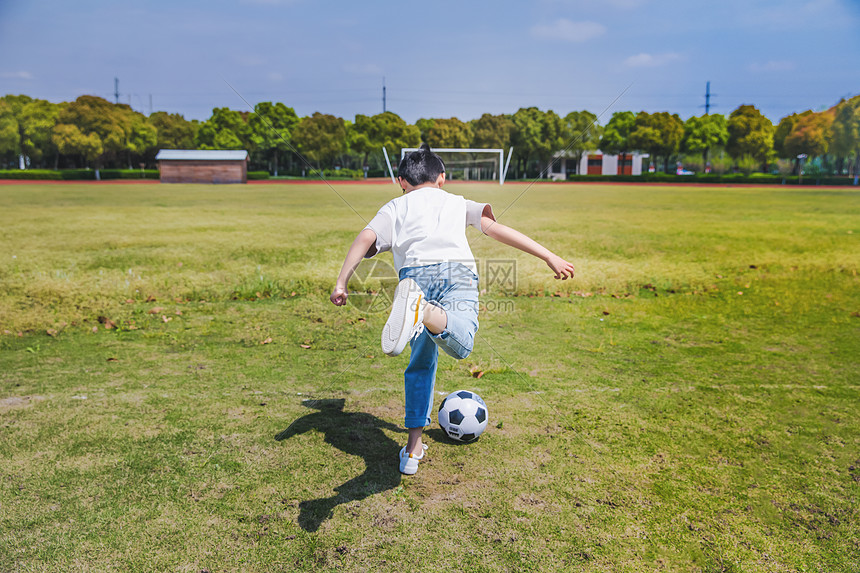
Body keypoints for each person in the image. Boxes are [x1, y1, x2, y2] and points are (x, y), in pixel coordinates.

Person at [330, 144, 575, 475]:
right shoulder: (457, 202)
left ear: (401, 181)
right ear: (442, 178)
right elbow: (495, 229)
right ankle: (425, 312)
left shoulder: (394, 206)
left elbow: (365, 237)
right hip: (456, 273)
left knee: (420, 364)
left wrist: (342, 282)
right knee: (462, 346)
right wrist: (548, 255)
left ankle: (413, 449)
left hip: (414, 278)